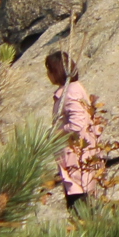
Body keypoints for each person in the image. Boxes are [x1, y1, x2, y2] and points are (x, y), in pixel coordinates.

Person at [45, 50, 101, 210]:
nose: (48, 75)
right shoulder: (71, 90)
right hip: (77, 159)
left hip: (77, 160)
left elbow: (77, 124)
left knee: (80, 206)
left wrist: (57, 132)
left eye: (49, 70)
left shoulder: (71, 92)